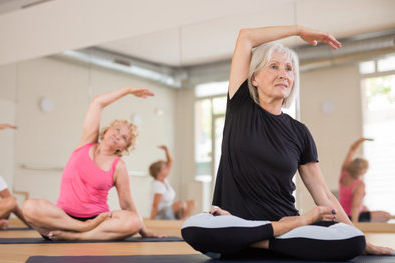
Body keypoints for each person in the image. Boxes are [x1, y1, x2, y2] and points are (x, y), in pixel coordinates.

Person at [181, 25, 394, 260]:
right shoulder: (240, 106)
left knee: (351, 239)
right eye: (274, 67)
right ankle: (269, 234)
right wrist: (298, 31)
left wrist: (359, 239)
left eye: (289, 69)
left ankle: (253, 242)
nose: (284, 74)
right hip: (234, 221)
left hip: (284, 229)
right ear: (254, 78)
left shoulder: (299, 132)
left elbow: (323, 193)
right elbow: (246, 37)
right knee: (195, 227)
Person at [22, 86, 161, 241]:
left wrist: (144, 231)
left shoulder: (118, 166)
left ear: (124, 147)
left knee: (134, 220)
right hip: (64, 219)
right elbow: (97, 103)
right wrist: (127, 90)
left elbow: (127, 204)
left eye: (124, 138)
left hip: (98, 222)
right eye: (117, 130)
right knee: (29, 207)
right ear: (107, 130)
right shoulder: (86, 143)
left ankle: (79, 237)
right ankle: (80, 229)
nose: (117, 136)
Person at [339, 138, 392, 223]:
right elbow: (355, 206)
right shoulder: (359, 185)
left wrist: (361, 140)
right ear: (363, 172)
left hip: (341, 213)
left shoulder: (344, 172)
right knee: (386, 216)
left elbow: (351, 150)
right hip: (351, 217)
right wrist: (354, 226)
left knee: (365, 207)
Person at [149, 145, 195, 220]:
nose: (167, 168)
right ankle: (181, 222)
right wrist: (152, 220)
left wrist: (166, 150)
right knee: (181, 204)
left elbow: (170, 162)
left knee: (192, 203)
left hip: (170, 212)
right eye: (164, 168)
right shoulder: (157, 185)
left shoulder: (165, 180)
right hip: (161, 214)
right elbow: (155, 205)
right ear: (159, 173)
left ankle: (183, 221)